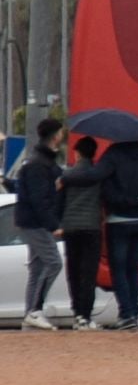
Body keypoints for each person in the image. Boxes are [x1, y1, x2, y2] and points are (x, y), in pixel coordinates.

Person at [96, 135, 138, 330]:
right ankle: (134, 314)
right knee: (133, 269)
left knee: (118, 269)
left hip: (119, 219)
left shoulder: (113, 154)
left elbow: (100, 177)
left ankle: (126, 314)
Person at [15, 118, 66, 330]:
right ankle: (35, 310)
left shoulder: (41, 161)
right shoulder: (39, 163)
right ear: (55, 136)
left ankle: (30, 314)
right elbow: (39, 199)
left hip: (31, 221)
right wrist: (53, 225)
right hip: (35, 222)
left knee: (37, 268)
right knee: (54, 262)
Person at [59, 136, 103, 330]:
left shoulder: (67, 176)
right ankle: (86, 315)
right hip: (92, 228)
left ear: (77, 153)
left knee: (74, 272)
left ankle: (77, 313)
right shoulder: (98, 175)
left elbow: (60, 201)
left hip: (70, 227)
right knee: (89, 274)